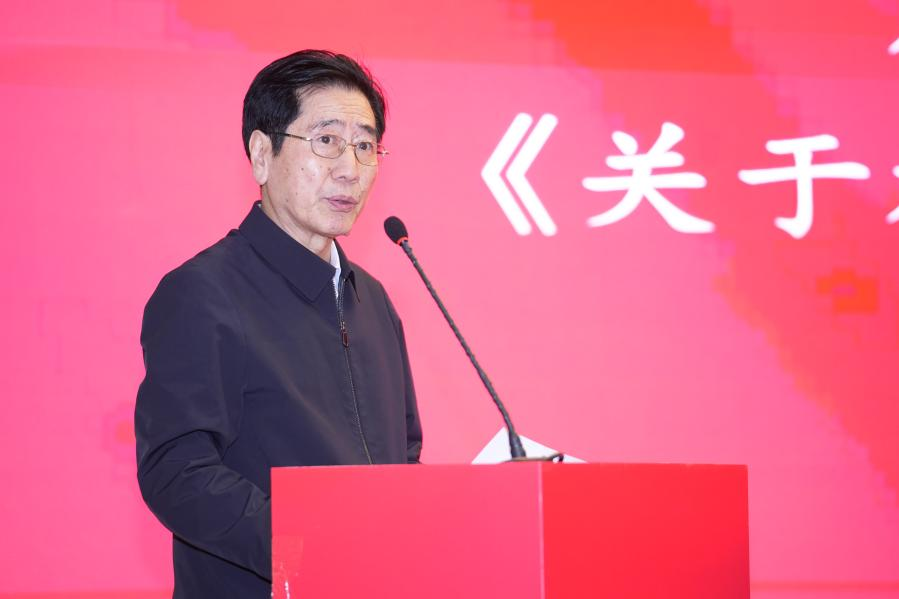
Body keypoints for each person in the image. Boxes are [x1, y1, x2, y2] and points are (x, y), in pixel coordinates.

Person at [135, 50, 423, 598]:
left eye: (365, 146)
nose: (350, 168)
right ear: (261, 154)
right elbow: (176, 469)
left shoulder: (374, 301)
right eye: (326, 140)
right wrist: (304, 548)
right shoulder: (204, 293)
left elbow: (403, 456)